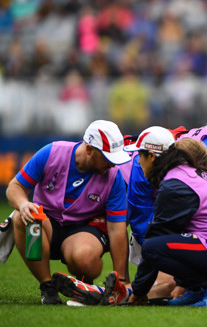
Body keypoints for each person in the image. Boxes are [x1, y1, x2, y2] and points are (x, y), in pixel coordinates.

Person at [123, 130, 207, 307]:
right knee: (168, 243)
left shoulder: (174, 184)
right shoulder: (188, 174)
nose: (139, 162)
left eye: (139, 156)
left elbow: (156, 237)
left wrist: (139, 292)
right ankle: (197, 290)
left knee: (151, 248)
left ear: (151, 156)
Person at [6, 120, 130, 305]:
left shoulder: (114, 177)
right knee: (21, 218)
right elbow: (14, 187)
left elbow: (117, 230)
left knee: (86, 260)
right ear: (89, 150)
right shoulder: (51, 153)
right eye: (107, 157)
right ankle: (47, 287)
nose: (112, 164)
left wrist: (122, 279)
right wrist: (23, 204)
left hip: (84, 229)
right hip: (46, 224)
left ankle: (84, 284)